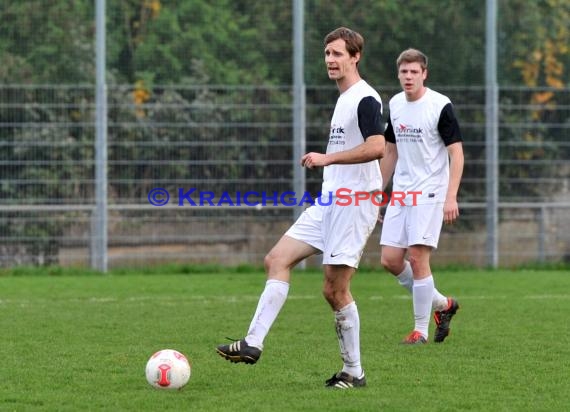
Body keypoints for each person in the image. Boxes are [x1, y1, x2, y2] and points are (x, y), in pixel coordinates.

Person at [216, 27, 385, 389]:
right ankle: (252, 343)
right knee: (277, 259)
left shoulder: (365, 98)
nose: (330, 60)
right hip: (330, 202)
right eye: (327, 54)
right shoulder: (343, 99)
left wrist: (329, 159)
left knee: (334, 290)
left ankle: (353, 372)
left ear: (355, 57)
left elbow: (377, 147)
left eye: (338, 54)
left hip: (352, 204)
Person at [379, 48, 463, 344]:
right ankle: (443, 305)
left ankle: (420, 331)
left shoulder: (440, 105)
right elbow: (391, 151)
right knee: (390, 260)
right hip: (401, 192)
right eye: (404, 72)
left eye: (414, 72)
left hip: (430, 192)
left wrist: (451, 196)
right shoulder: (395, 103)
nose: (409, 77)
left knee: (417, 258)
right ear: (398, 74)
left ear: (424, 74)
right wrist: (379, 190)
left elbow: (457, 153)